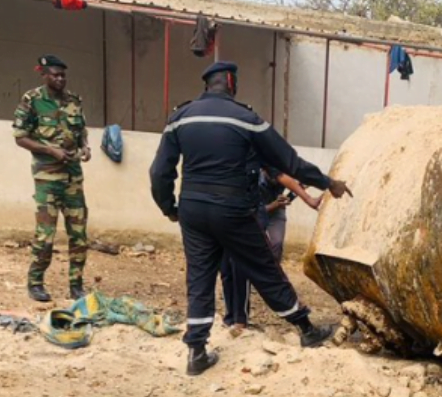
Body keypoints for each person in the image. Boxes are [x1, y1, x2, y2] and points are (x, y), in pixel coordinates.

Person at [150, 61, 352, 376]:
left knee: (199, 276)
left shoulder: (180, 117)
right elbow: (289, 161)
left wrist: (170, 208)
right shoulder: (247, 119)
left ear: (208, 85)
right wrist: (328, 182)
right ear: (231, 82)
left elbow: (159, 171)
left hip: (192, 207)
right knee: (263, 267)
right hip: (232, 208)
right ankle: (306, 330)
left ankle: (197, 352)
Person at [12, 55, 91, 302]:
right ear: (44, 75)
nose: (60, 79)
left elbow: (82, 132)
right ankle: (35, 283)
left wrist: (85, 147)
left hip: (73, 178)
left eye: (63, 75)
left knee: (79, 233)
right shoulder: (32, 100)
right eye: (55, 75)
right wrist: (50, 150)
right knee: (45, 234)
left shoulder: (74, 100)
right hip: (47, 178)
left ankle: (76, 285)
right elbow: (20, 136)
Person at [221, 165, 323, 331]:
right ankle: (235, 316)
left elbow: (299, 184)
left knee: (273, 248)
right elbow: (255, 210)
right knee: (229, 268)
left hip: (270, 213)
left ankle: (295, 316)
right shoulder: (253, 177)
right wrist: (275, 204)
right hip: (254, 213)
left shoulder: (282, 173)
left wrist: (300, 192)